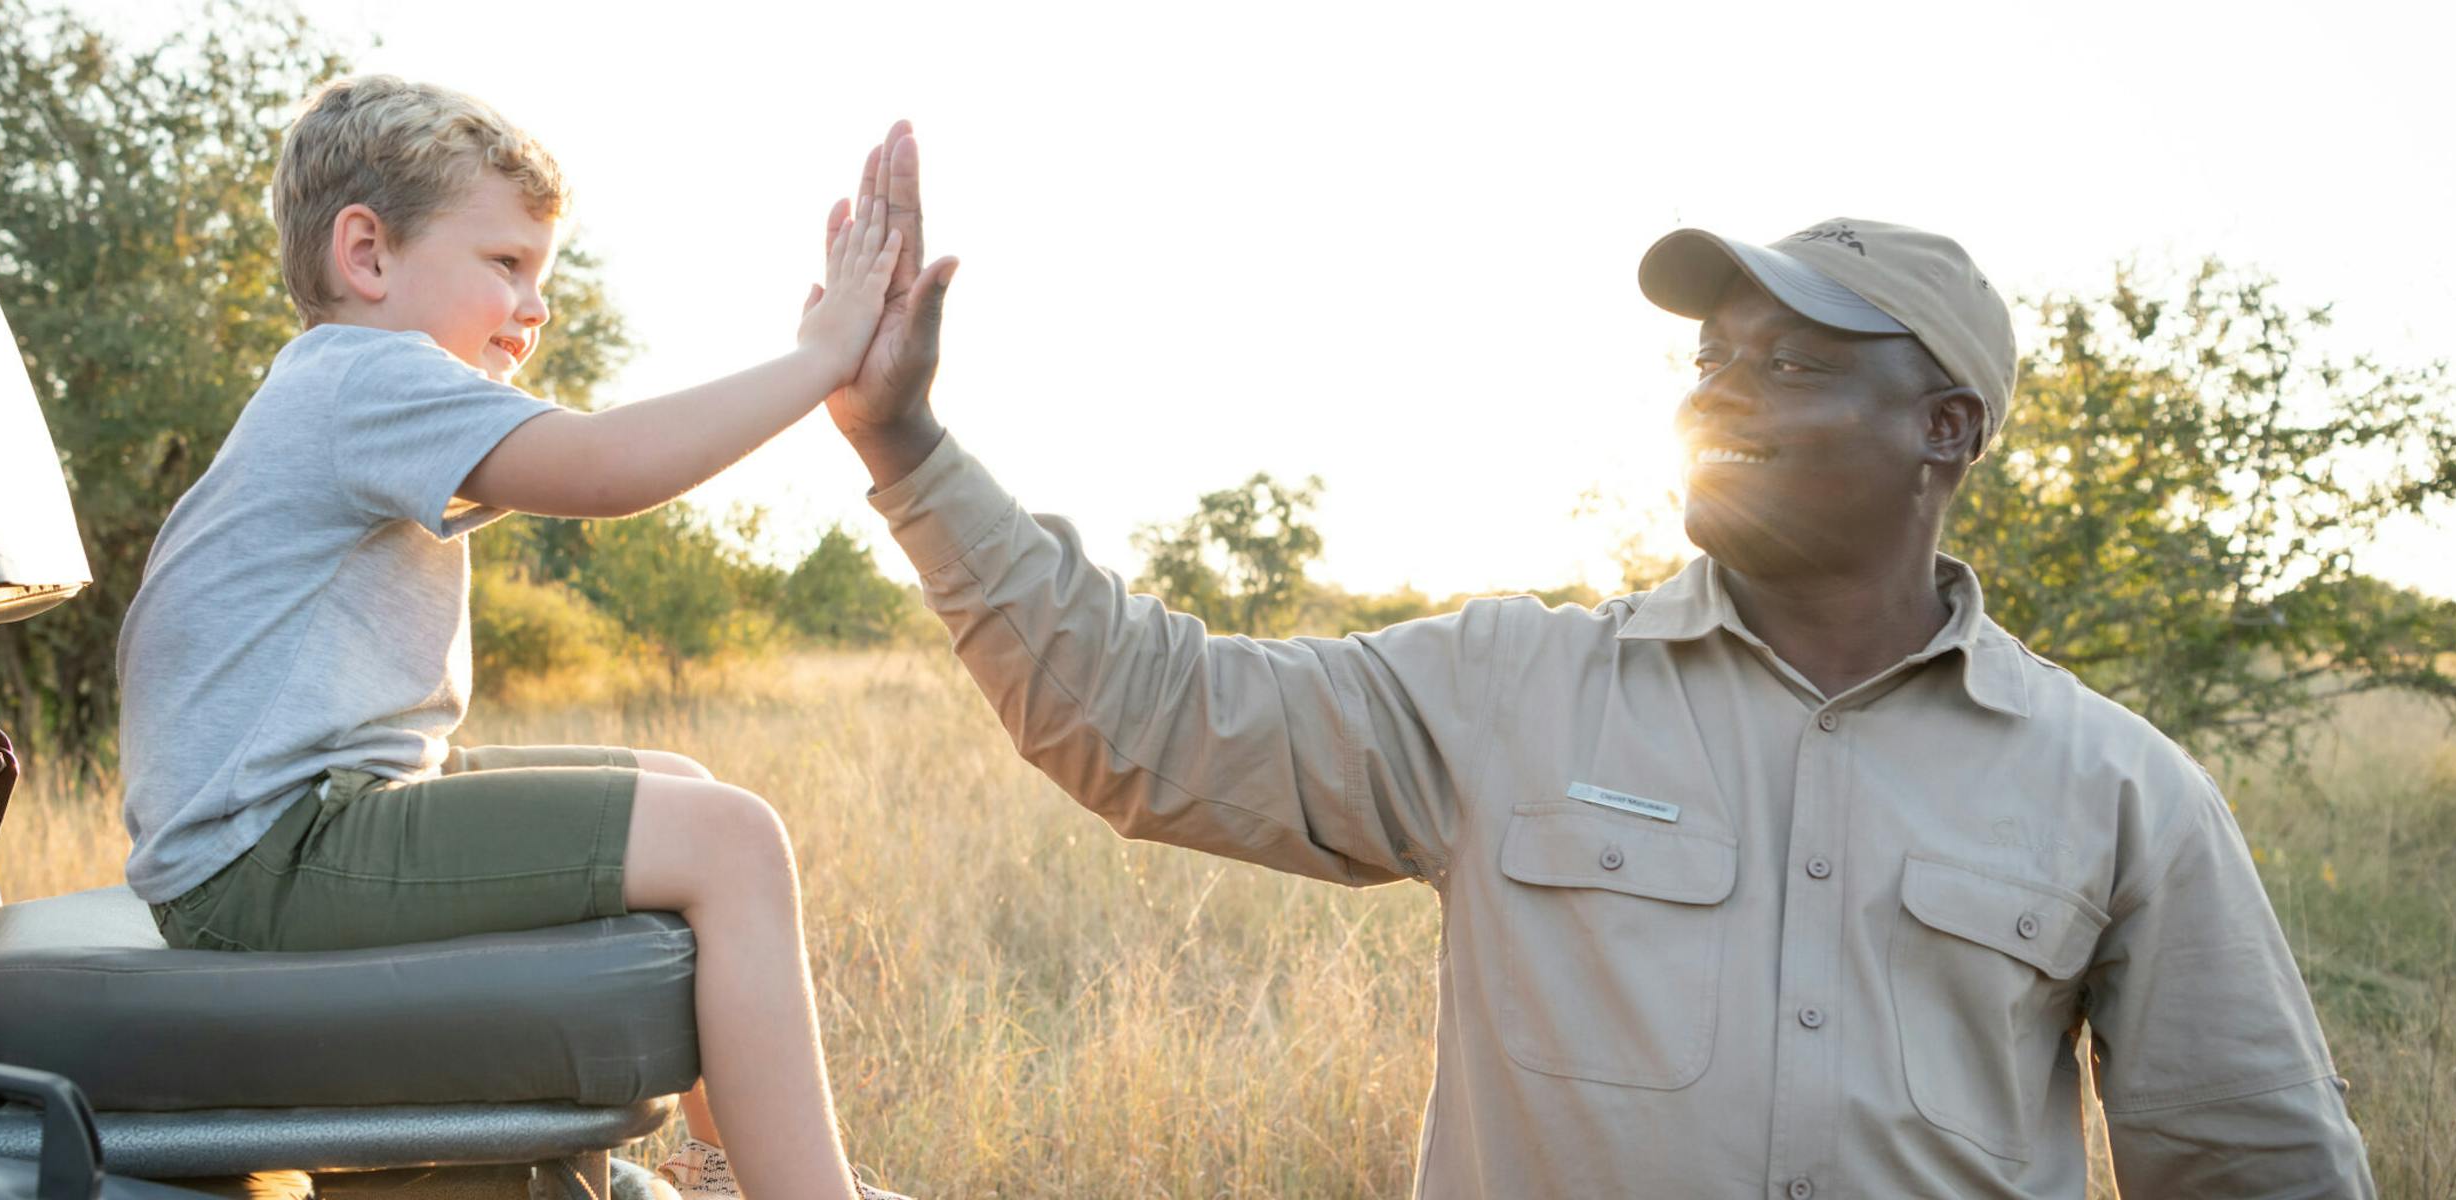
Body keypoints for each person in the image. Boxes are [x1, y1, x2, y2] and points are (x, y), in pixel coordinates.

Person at [824, 130, 2375, 1195]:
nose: (1722, 396)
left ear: (1945, 431)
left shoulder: (2117, 788)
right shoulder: (1509, 692)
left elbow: (2255, 1165)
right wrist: (905, 446)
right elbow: (1143, 721)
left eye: (1794, 367)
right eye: (1710, 362)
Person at [114, 75, 931, 1200]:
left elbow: (580, 458)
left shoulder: (341, 387)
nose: (535, 306)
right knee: (734, 842)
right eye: (506, 264)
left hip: (278, 835)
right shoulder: (369, 376)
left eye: (539, 274)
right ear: (368, 255)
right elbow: (605, 467)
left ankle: (719, 1159)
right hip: (272, 858)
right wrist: (819, 359)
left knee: (679, 782)